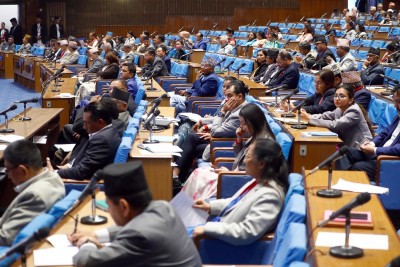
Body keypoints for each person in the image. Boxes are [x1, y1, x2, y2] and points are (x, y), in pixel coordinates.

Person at [69, 162, 202, 267]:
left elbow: (87, 263)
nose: (109, 211)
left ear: (124, 206)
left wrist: (86, 243)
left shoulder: (137, 236)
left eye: (109, 206)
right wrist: (95, 235)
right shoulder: (164, 207)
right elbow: (134, 229)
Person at [192, 138, 288, 245]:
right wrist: (210, 206)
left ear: (261, 164)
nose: (245, 161)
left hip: (220, 242)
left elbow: (246, 232)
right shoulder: (260, 181)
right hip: (219, 227)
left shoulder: (271, 196)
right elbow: (237, 202)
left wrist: (207, 228)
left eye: (248, 157)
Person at [182, 104, 275, 200]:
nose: (242, 128)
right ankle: (185, 205)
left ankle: (187, 207)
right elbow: (241, 157)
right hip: (234, 174)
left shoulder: (264, 142)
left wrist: (229, 173)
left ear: (253, 122)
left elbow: (256, 174)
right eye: (241, 124)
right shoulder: (256, 134)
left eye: (244, 124)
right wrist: (239, 139)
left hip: (238, 180)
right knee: (199, 173)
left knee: (199, 177)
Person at [173, 80, 249, 182]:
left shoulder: (239, 113)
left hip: (225, 143)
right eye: (226, 96)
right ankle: (178, 177)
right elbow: (221, 122)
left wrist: (222, 112)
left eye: (230, 96)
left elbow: (216, 132)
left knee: (193, 142)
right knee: (192, 139)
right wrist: (202, 121)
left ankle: (177, 175)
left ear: (240, 96)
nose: (226, 99)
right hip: (221, 138)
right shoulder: (238, 106)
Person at [0, 140, 65, 246]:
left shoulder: (34, 196)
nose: (8, 175)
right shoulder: (53, 177)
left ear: (23, 170)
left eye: (7, 170)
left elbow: (6, 237)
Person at [337, 85, 400, 181]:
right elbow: (384, 133)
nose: (395, 105)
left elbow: (398, 149)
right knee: (346, 151)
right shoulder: (398, 116)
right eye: (395, 101)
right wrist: (371, 143)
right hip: (378, 153)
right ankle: (335, 181)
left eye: (398, 101)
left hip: (388, 160)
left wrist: (375, 150)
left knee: (357, 167)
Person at [49, 101, 121, 180]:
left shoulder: (101, 140)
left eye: (86, 123)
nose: (84, 127)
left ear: (100, 122)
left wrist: (54, 172)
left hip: (83, 184)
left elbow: (81, 172)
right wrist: (67, 167)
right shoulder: (110, 130)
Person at [301, 85, 373, 148]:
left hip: (361, 148)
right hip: (347, 146)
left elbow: (335, 125)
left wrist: (310, 119)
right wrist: (309, 116)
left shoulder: (354, 111)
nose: (337, 98)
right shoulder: (340, 108)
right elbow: (325, 116)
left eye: (342, 96)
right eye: (335, 96)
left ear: (351, 100)